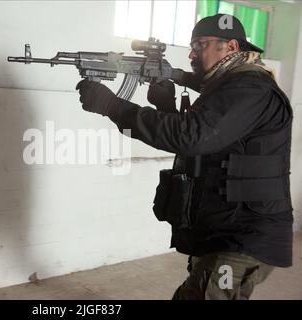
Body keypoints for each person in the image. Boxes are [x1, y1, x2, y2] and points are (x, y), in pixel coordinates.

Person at [76, 14, 293, 300]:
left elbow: (189, 137)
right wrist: (166, 104)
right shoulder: (231, 86)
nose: (191, 53)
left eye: (199, 45)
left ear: (229, 47)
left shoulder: (249, 88)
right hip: (229, 228)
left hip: (243, 235)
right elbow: (204, 145)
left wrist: (112, 106)